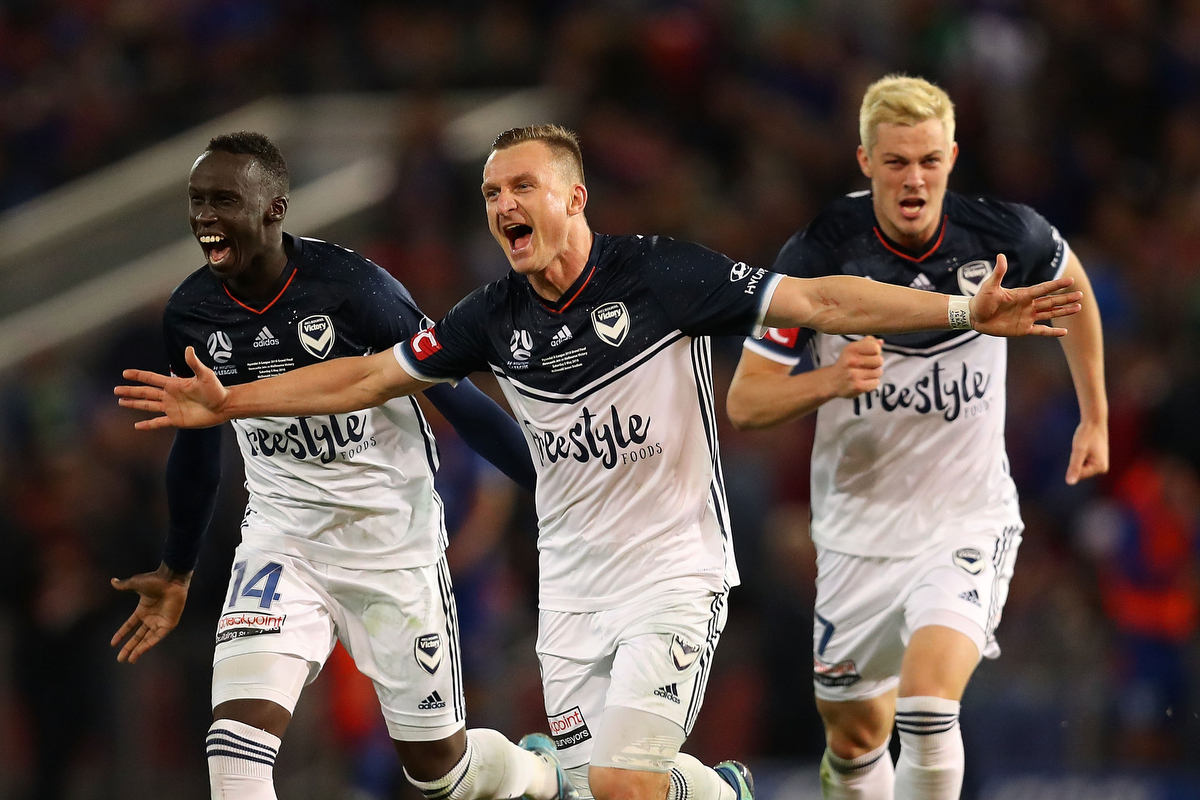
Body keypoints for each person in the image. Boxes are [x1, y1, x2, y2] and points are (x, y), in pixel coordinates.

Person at [115, 125, 1081, 800]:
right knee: (596, 789)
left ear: (574, 197)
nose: (501, 205)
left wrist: (959, 312)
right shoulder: (488, 318)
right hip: (571, 591)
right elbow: (365, 379)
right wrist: (230, 402)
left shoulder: (662, 276)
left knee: (620, 785)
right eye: (491, 193)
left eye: (520, 187)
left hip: (674, 571)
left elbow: (823, 301)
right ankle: (702, 790)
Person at [108, 132, 577, 800]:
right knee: (233, 752)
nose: (205, 216)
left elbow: (460, 400)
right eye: (197, 201)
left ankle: (540, 775)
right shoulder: (193, 312)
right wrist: (177, 567)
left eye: (223, 200)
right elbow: (197, 447)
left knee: (439, 771)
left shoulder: (356, 290)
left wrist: (558, 487)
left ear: (274, 209)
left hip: (390, 544)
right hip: (282, 545)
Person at [724, 75, 1108, 800]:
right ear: (865, 160)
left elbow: (1074, 288)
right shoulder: (814, 255)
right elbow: (745, 403)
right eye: (896, 162)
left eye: (929, 160)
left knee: (929, 707)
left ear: (953, 156)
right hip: (854, 536)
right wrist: (828, 382)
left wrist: (1096, 415)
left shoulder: (1002, 237)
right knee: (854, 740)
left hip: (964, 521)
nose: (914, 178)